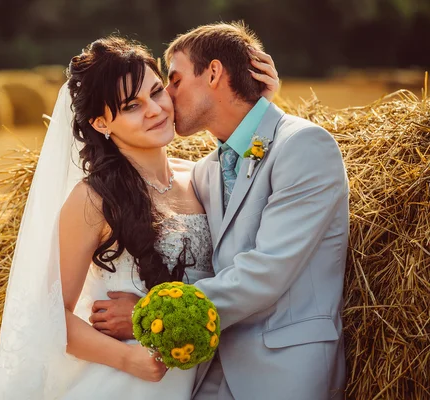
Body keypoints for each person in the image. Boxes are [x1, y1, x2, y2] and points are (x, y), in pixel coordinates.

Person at [0, 32, 279, 400]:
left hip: (200, 384)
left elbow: (252, 174)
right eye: (131, 106)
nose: (155, 110)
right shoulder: (93, 199)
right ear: (100, 123)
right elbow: (49, 317)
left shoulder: (201, 177)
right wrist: (130, 361)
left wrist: (258, 108)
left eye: (157, 91)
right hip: (121, 384)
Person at [92, 22, 349, 400]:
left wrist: (152, 316)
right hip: (209, 371)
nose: (166, 100)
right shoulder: (206, 170)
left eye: (173, 82)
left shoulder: (304, 146)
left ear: (213, 73)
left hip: (284, 372)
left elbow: (267, 271)